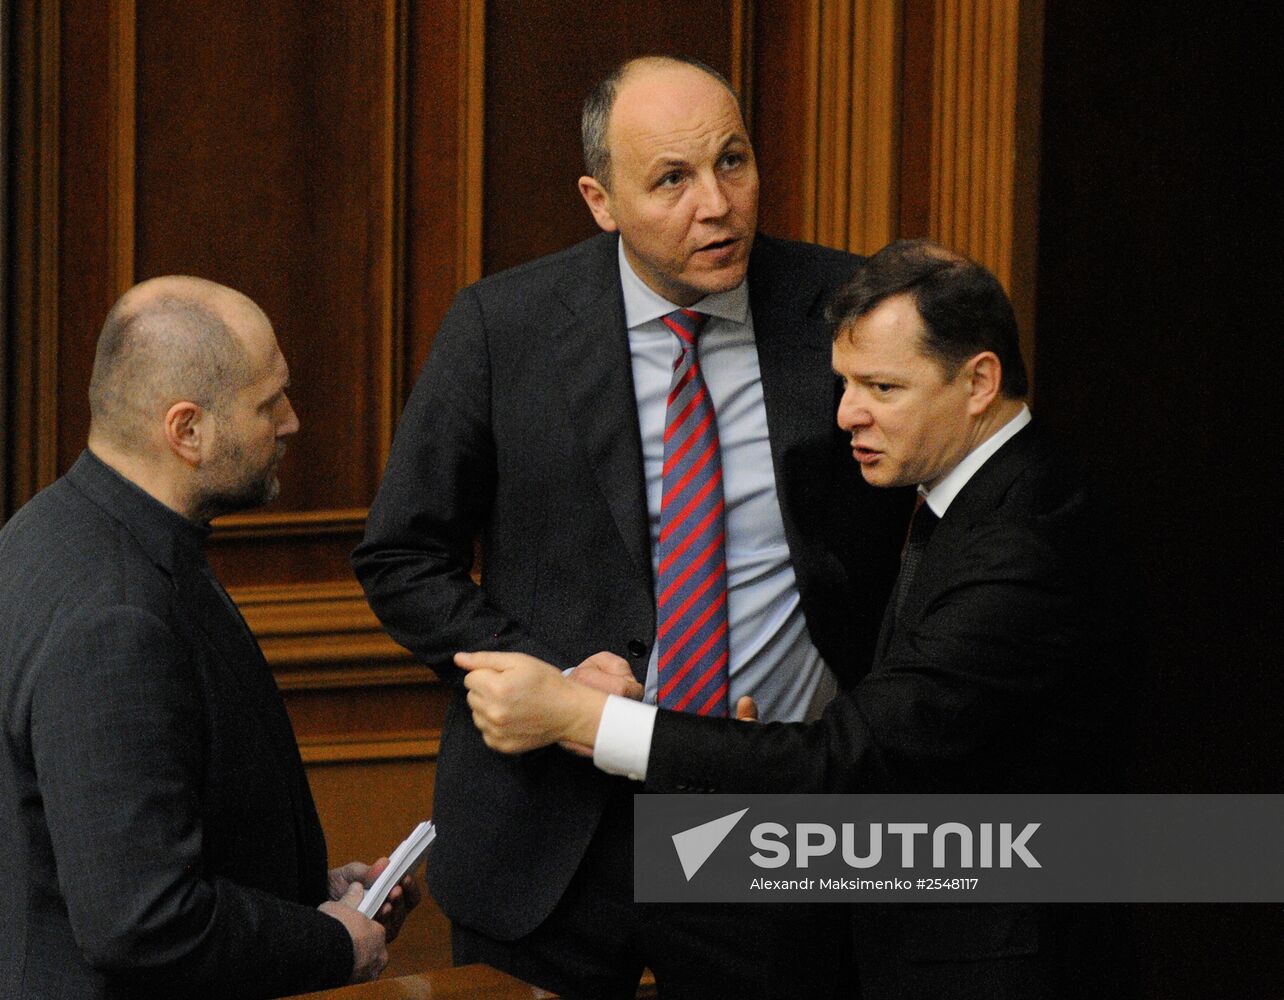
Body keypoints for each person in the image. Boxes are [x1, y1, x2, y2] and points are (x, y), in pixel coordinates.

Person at [354, 55, 908, 998]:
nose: (719, 205)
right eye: (671, 180)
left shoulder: (846, 311)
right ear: (599, 199)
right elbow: (403, 553)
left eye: (734, 162)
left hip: (759, 812)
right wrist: (548, 673)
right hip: (551, 829)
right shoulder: (504, 326)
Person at [458, 240, 1140, 999]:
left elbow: (857, 758)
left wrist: (583, 719)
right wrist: (745, 758)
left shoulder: (1024, 544)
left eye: (881, 386)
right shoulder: (973, 497)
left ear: (979, 380)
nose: (848, 414)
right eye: (844, 383)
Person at [0, 277, 419, 1000]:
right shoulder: (117, 617)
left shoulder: (50, 531)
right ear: (186, 431)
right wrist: (326, 943)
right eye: (269, 403)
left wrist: (309, 896)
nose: (291, 421)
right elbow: (141, 919)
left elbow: (133, 834)